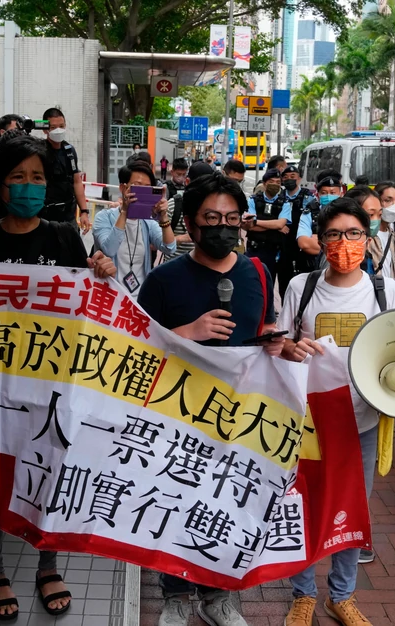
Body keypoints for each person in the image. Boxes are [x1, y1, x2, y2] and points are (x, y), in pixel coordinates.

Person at [0, 134, 116, 621]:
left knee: (48, 468)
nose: (28, 186)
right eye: (17, 178)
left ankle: (47, 562)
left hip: (52, 381)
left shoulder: (63, 235)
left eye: (37, 178)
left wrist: (99, 268)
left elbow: (85, 298)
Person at [138, 172, 279, 626]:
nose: (222, 227)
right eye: (211, 218)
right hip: (178, 412)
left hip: (241, 416)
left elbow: (264, 330)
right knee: (176, 501)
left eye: (231, 219)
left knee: (228, 504)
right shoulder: (163, 281)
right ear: (192, 226)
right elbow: (136, 348)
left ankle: (219, 595)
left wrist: (279, 342)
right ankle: (176, 593)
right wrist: (186, 334)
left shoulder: (258, 271)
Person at [279, 197, 395, 626]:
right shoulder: (301, 287)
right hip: (308, 422)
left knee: (353, 508)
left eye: (354, 233)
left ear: (368, 239)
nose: (344, 243)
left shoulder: (384, 290)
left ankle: (342, 595)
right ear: (320, 241)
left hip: (362, 422)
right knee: (304, 506)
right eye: (334, 234)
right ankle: (302, 595)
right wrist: (290, 348)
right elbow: (279, 345)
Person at [92, 161, 176, 293]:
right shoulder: (104, 217)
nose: (142, 192)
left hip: (140, 298)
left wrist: (163, 217)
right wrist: (125, 211)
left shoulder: (148, 221)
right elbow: (109, 249)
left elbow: (169, 248)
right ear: (123, 188)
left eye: (147, 188)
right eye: (137, 187)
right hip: (111, 295)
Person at [40, 108, 89, 231]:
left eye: (61, 126)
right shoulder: (39, 151)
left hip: (68, 216)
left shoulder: (69, 151)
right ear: (45, 129)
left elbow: (76, 182)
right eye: (53, 127)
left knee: (73, 248)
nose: (58, 130)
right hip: (45, 216)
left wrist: (84, 211)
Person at [277, 165, 316, 298]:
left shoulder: (308, 196)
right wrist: (278, 225)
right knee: (284, 281)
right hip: (283, 244)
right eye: (286, 177)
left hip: (302, 243)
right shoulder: (279, 196)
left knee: (303, 280)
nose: (289, 180)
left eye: (292, 177)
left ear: (299, 179)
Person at [164, 161, 214, 262]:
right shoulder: (173, 205)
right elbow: (157, 243)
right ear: (187, 182)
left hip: (206, 268)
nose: (203, 190)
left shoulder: (216, 208)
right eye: (199, 185)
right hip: (175, 268)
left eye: (208, 185)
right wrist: (181, 238)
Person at [245, 168, 290, 278]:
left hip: (273, 251)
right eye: (271, 182)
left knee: (269, 281)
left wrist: (256, 222)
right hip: (254, 249)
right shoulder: (253, 200)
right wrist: (275, 225)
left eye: (278, 182)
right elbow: (249, 226)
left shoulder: (284, 203)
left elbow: (280, 224)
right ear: (264, 183)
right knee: (252, 279)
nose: (275, 185)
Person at [296, 174, 344, 270]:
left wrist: (318, 240)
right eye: (324, 193)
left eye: (332, 192)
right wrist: (337, 248)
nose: (328, 196)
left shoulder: (348, 213)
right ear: (318, 195)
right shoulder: (309, 213)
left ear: (341, 194)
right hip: (314, 267)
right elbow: (304, 243)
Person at [348, 185, 395, 281]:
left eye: (379, 215)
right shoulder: (342, 249)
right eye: (370, 215)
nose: (376, 220)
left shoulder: (368, 242)